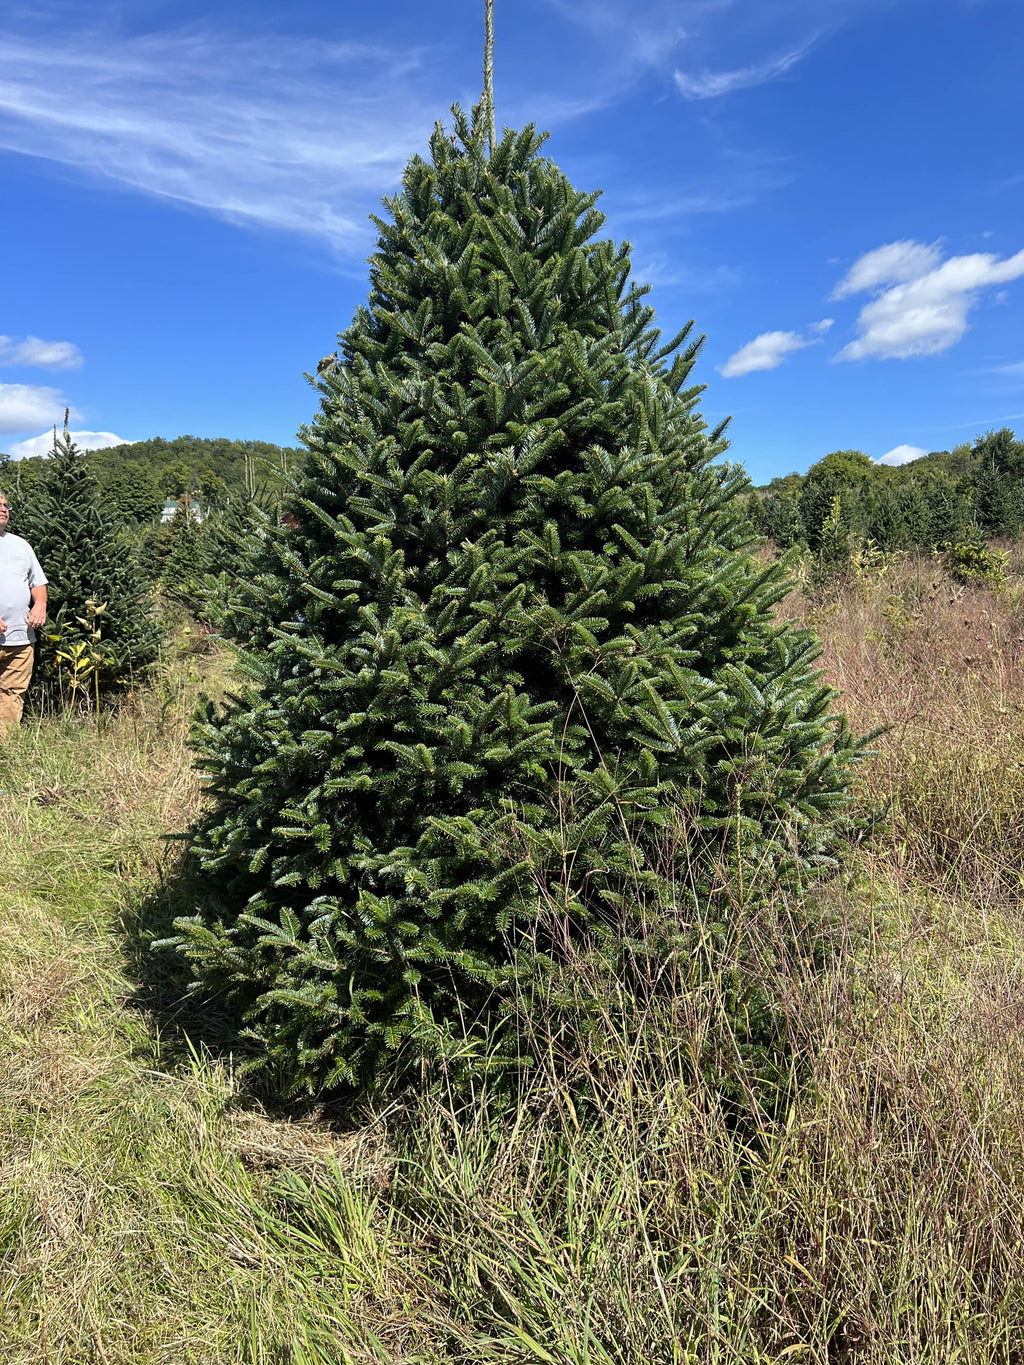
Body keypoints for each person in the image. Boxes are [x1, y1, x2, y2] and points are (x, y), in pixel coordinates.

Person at [0, 492, 48, 733]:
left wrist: (40, 605)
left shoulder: (21, 545)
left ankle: (5, 749)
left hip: (20, 639)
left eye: (5, 505)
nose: (3, 509)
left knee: (13, 693)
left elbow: (37, 582)